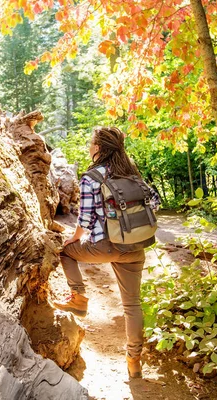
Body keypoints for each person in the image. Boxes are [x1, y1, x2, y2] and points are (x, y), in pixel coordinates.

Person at [52, 126, 160, 379]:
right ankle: (134, 361)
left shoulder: (92, 177)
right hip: (135, 247)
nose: (90, 147)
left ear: (99, 148)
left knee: (65, 253)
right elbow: (154, 202)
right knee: (133, 305)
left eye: (91, 143)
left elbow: (86, 220)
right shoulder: (132, 174)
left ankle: (78, 298)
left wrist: (74, 239)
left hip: (105, 246)